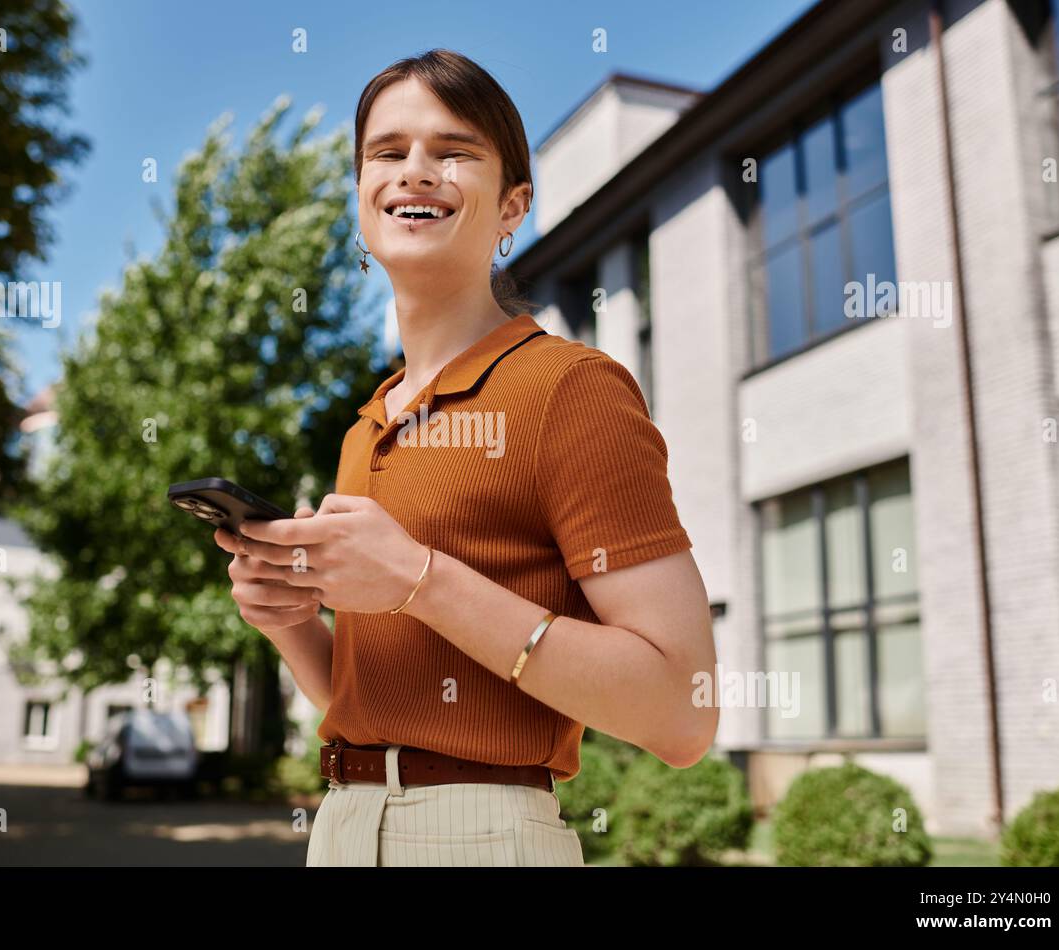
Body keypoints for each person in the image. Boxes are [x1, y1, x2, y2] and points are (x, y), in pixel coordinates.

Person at [216, 48, 716, 866]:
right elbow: (377, 708)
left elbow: (683, 715)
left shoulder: (572, 390)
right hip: (342, 820)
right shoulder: (365, 426)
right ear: (361, 200)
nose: (415, 171)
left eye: (453, 152)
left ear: (512, 206)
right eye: (387, 153)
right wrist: (294, 625)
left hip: (482, 837)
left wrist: (421, 579)